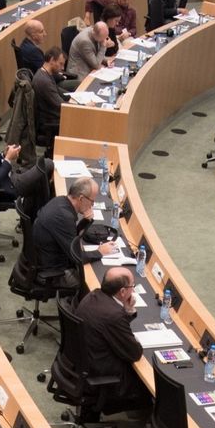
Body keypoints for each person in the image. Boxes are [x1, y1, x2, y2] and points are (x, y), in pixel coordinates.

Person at [75, 268, 152, 411]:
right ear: (122, 292)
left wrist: (127, 311)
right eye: (132, 286)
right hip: (101, 374)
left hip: (82, 364)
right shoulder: (114, 315)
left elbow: (110, 329)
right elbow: (134, 353)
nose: (133, 290)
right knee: (148, 381)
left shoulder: (93, 295)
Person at [31, 175, 105, 276]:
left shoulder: (60, 201)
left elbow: (71, 235)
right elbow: (77, 257)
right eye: (92, 201)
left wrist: (86, 221)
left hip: (43, 257)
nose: (92, 205)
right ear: (81, 198)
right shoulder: (64, 217)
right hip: (52, 270)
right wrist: (99, 252)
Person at [32, 46, 66, 152]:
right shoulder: (44, 81)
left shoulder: (45, 74)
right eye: (61, 64)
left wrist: (75, 96)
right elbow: (61, 105)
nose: (63, 68)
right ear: (52, 60)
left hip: (51, 115)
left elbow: (59, 92)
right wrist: (81, 106)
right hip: (51, 120)